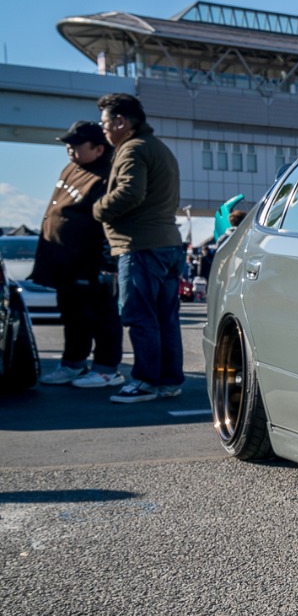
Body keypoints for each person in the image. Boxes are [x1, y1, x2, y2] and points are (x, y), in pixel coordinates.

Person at [92, 93, 185, 403]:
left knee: (140, 317)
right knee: (165, 319)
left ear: (120, 121)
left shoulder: (133, 149)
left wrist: (98, 209)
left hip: (140, 246)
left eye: (104, 123)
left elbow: (130, 192)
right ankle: (168, 381)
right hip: (166, 244)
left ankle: (145, 381)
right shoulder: (157, 147)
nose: (103, 129)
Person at [32, 121, 125, 387]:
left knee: (100, 315)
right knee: (72, 315)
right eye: (68, 145)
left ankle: (106, 369)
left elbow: (111, 220)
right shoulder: (71, 168)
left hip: (91, 262)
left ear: (98, 148)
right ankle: (73, 363)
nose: (70, 149)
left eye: (76, 145)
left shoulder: (107, 175)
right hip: (64, 261)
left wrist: (107, 263)